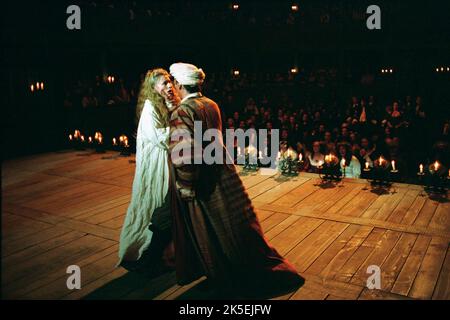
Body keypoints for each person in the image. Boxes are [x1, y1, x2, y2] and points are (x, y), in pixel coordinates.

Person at [168, 62, 304, 298]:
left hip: (202, 180)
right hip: (222, 171)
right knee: (230, 226)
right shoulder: (211, 104)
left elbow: (185, 154)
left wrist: (186, 185)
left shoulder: (182, 112)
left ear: (179, 84)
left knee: (208, 231)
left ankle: (222, 275)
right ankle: (232, 269)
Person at [117, 69, 178, 270]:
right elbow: (161, 138)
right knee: (155, 205)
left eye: (169, 81)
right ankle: (140, 255)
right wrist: (183, 125)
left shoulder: (164, 104)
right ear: (153, 88)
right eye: (163, 83)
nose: (169, 85)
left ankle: (165, 254)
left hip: (168, 162)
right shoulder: (150, 108)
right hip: (155, 166)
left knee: (167, 207)